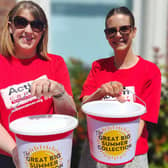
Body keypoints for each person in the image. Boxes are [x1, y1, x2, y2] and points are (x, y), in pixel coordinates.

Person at [79, 6, 161, 168]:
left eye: (124, 29)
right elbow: (84, 106)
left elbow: (142, 121)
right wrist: (101, 91)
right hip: (95, 151)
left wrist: (119, 151)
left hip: (131, 154)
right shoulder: (98, 67)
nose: (118, 35)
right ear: (106, 35)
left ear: (134, 31)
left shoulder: (150, 71)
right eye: (112, 31)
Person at [0, 1, 76, 167]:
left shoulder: (55, 63)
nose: (28, 30)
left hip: (49, 154)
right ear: (11, 27)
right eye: (21, 22)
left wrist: (59, 92)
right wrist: (15, 151)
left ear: (42, 32)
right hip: (7, 156)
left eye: (36, 25)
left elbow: (70, 116)